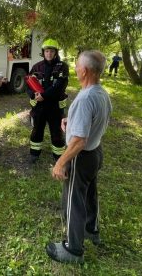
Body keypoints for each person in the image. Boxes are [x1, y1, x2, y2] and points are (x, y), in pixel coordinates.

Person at [46, 50, 112, 264]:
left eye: (77, 66)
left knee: (73, 201)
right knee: (90, 194)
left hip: (81, 156)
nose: (74, 68)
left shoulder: (85, 98)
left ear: (84, 71)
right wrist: (70, 124)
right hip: (95, 153)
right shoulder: (101, 93)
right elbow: (96, 124)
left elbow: (79, 141)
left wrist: (60, 162)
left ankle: (73, 250)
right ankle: (91, 231)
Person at [27, 38, 69, 164]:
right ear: (43, 52)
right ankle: (34, 154)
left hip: (55, 107)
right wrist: (33, 96)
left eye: (51, 51)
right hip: (39, 107)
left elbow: (60, 86)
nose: (49, 54)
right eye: (46, 51)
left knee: (56, 132)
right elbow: (28, 84)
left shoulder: (62, 67)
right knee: (36, 130)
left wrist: (44, 95)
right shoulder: (36, 67)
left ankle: (58, 157)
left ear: (55, 52)